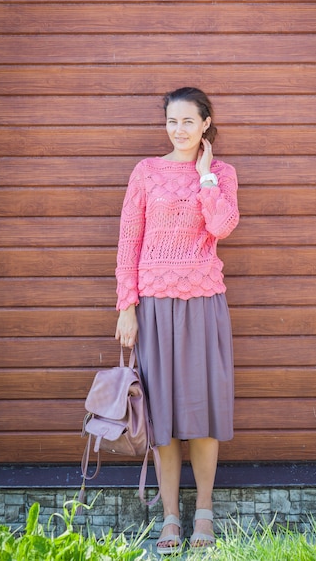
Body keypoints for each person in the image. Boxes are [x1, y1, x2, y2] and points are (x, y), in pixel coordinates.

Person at [115, 87, 239, 554]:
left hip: (204, 301)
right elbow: (129, 240)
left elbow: (223, 227)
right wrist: (127, 306)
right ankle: (170, 518)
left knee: (204, 409)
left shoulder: (222, 173)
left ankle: (203, 511)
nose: (179, 130)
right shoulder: (146, 172)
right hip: (154, 306)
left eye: (189, 121)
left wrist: (205, 177)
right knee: (162, 413)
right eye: (172, 121)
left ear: (206, 123)